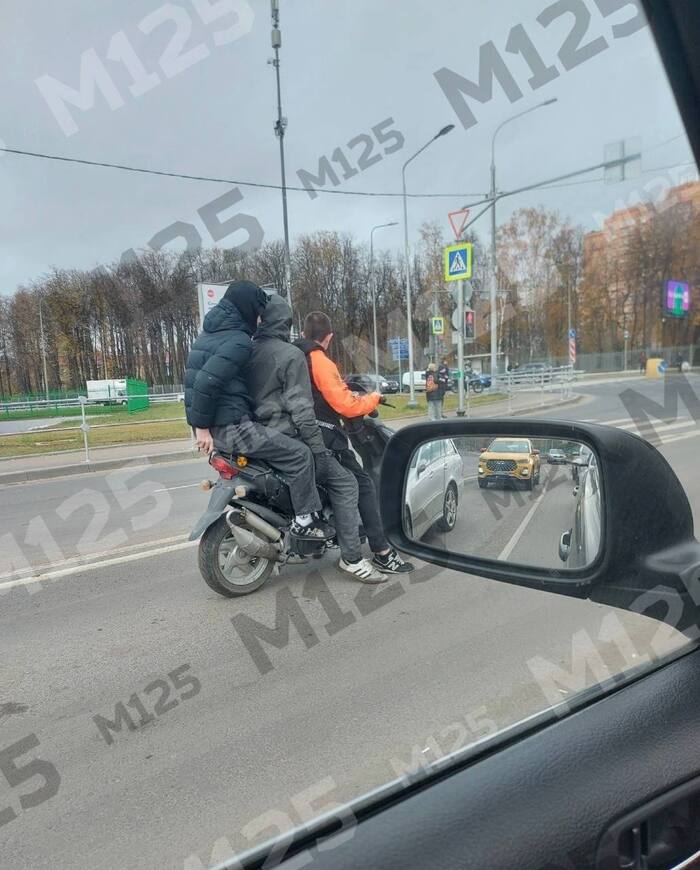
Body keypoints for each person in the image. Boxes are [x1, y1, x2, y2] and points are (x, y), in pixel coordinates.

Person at [247, 293, 386, 583]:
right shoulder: (297, 356)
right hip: (289, 435)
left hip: (252, 434)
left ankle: (309, 539)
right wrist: (317, 447)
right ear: (329, 336)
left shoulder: (249, 351)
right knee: (347, 483)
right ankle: (352, 558)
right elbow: (310, 408)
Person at [183, 281, 332, 544]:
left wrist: (196, 426)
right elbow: (206, 382)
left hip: (222, 427)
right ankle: (305, 522)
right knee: (299, 455)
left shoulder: (209, 335)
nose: (260, 318)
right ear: (249, 308)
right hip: (233, 428)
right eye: (258, 311)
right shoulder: (240, 341)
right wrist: (201, 426)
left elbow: (192, 382)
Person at [295, 311, 414, 575]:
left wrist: (344, 386)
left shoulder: (293, 356)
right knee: (362, 484)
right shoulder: (320, 360)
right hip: (322, 437)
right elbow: (346, 406)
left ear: (302, 334)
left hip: (293, 436)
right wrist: (372, 398)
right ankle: (381, 552)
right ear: (329, 337)